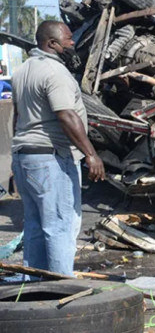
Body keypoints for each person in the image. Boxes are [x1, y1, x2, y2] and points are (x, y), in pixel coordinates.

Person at [11, 20, 105, 276]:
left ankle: (37, 286)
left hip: (25, 156)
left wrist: (17, 154)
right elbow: (66, 115)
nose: (72, 43)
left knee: (35, 225)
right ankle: (61, 288)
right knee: (60, 226)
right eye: (68, 39)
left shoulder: (22, 70)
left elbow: (17, 117)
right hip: (50, 160)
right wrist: (91, 154)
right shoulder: (55, 72)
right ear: (51, 44)